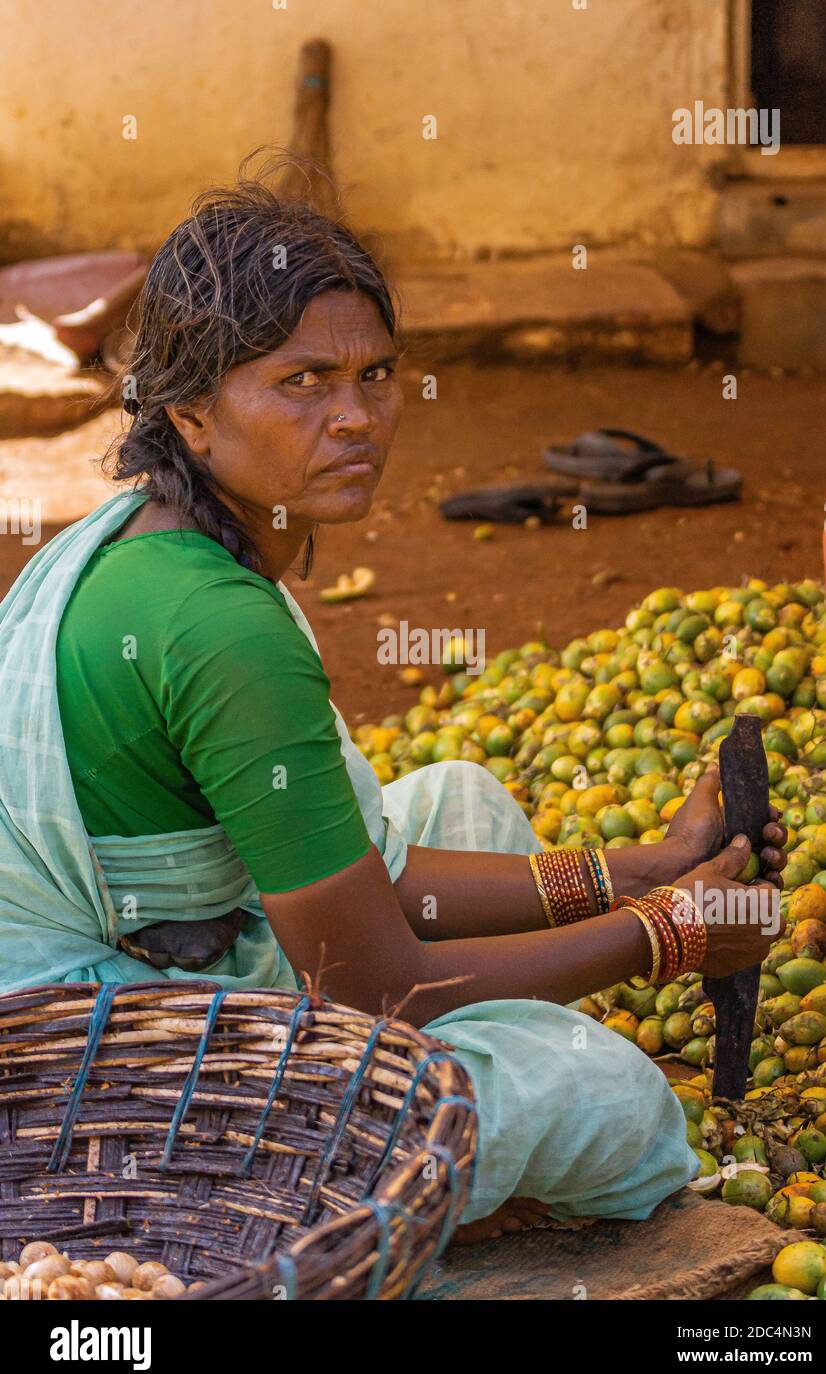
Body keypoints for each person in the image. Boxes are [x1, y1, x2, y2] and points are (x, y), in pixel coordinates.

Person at [0, 175, 786, 1234]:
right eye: (303, 382)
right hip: (80, 1077)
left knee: (459, 798)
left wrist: (632, 872)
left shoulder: (163, 537)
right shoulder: (220, 627)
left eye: (376, 375)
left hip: (174, 944)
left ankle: (445, 1154)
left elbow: (374, 887)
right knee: (603, 1097)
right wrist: (664, 936)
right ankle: (358, 1208)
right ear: (190, 410)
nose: (358, 418)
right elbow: (373, 985)